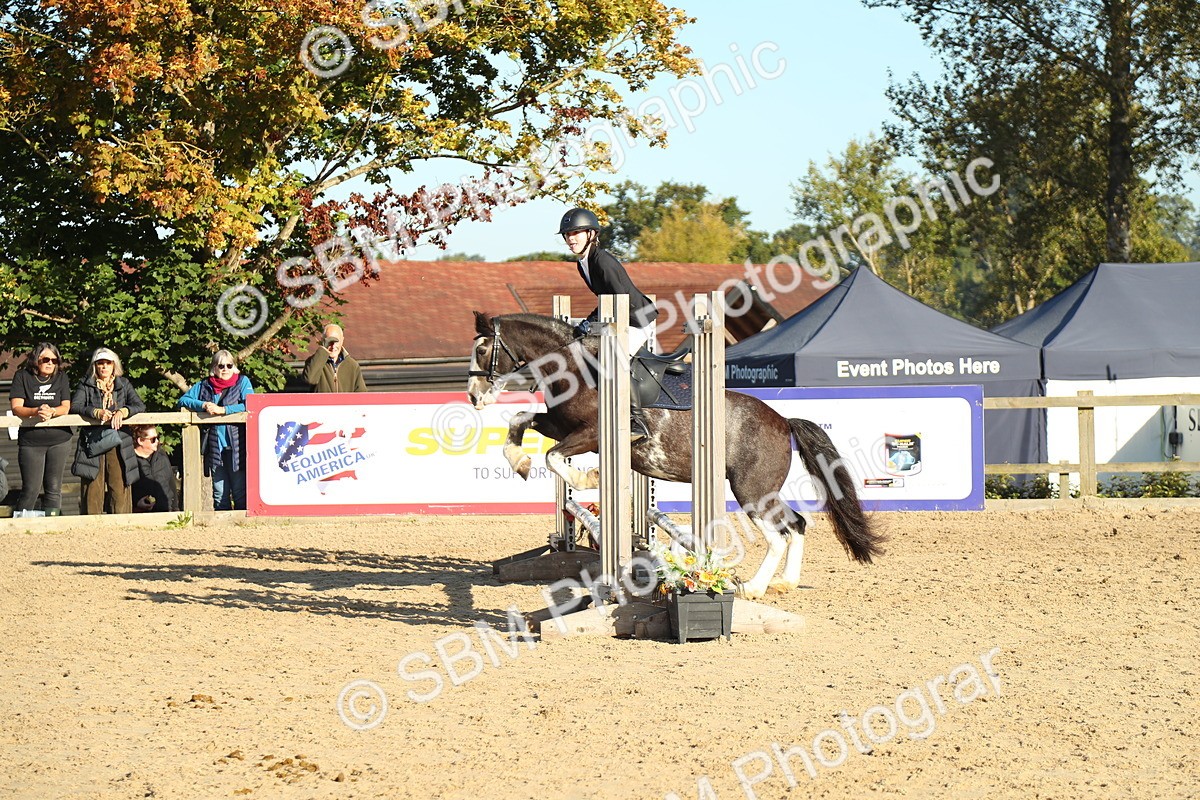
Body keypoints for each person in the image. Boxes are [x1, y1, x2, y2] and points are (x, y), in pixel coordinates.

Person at [558, 207, 659, 441]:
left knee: (615, 363)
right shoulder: (583, 263)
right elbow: (605, 299)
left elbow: (619, 299)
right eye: (567, 235)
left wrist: (592, 321)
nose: (570, 239)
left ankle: (637, 421)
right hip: (619, 317)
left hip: (636, 321)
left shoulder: (602, 262)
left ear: (591, 234)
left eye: (576, 233)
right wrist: (587, 322)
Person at [71, 347, 145, 515]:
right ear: (95, 366)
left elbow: (139, 405)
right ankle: (91, 526)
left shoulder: (123, 384)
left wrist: (123, 411)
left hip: (119, 440)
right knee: (92, 487)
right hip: (93, 441)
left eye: (107, 363)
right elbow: (75, 406)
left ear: (114, 365)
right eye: (100, 363)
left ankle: (120, 526)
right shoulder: (86, 383)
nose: (104, 367)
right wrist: (95, 412)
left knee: (119, 487)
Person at [178, 350, 255, 511]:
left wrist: (224, 410)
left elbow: (250, 404)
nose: (225, 369)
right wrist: (203, 405)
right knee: (219, 493)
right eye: (221, 365)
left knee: (240, 491)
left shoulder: (243, 382)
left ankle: (242, 527)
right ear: (214, 367)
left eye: (229, 365)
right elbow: (183, 400)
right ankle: (222, 530)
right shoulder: (204, 385)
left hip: (237, 446)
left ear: (234, 366)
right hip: (215, 447)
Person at [8, 343, 72, 516]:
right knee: (31, 488)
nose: (50, 363)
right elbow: (16, 407)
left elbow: (65, 406)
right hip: (31, 442)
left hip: (59, 440)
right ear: (36, 360)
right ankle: (21, 526)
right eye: (45, 359)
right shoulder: (22, 376)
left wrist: (52, 411)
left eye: (54, 360)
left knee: (53, 488)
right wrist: (36, 411)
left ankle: (52, 527)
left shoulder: (61, 377)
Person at [302, 323, 367, 392]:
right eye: (329, 342)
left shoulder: (352, 365)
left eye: (336, 341)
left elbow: (362, 394)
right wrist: (323, 350)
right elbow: (310, 379)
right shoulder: (314, 362)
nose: (333, 346)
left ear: (342, 340)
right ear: (323, 341)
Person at [130, 425, 179, 513]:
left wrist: (175, 508)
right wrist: (137, 503)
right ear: (140, 441)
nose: (157, 441)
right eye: (153, 439)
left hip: (167, 512)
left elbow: (171, 484)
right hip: (141, 515)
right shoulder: (130, 460)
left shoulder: (161, 455)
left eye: (158, 438)